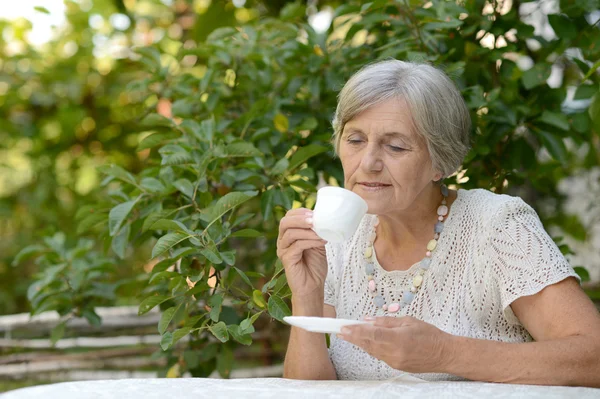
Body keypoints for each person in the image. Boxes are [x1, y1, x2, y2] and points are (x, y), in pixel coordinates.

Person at [276, 59, 600, 386]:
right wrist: (307, 295)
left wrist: (446, 353)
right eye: (355, 140)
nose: (368, 163)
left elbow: (594, 358)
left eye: (396, 146)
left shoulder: (498, 225)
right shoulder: (339, 239)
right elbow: (308, 389)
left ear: (440, 163)